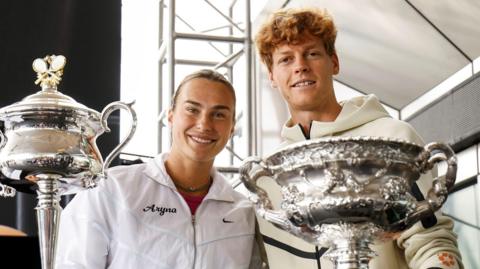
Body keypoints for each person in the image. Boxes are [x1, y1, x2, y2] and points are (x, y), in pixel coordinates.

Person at [254, 7, 462, 269]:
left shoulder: (392, 139)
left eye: (312, 53)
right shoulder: (271, 175)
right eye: (286, 59)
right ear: (272, 75)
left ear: (335, 62)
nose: (300, 67)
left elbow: (430, 241)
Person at [56, 69, 261, 268]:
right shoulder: (111, 189)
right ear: (171, 116)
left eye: (219, 114)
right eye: (192, 109)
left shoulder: (243, 213)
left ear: (232, 127)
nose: (204, 124)